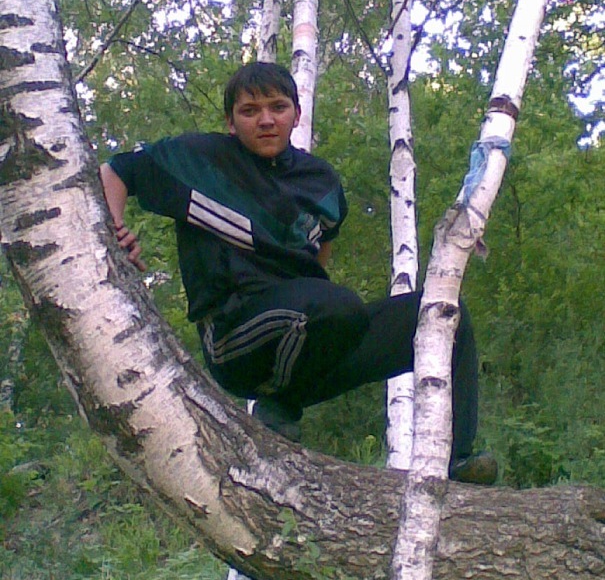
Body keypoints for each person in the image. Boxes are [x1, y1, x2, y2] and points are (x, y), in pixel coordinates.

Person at [100, 62, 497, 484]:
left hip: (309, 330)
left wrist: (318, 312)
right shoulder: (200, 159)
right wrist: (113, 228)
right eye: (250, 110)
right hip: (235, 338)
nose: (266, 120)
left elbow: (322, 247)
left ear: (296, 115)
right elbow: (119, 170)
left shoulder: (319, 181)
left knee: (443, 314)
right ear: (230, 122)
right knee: (335, 305)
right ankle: (277, 400)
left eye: (278, 107)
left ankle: (456, 463)